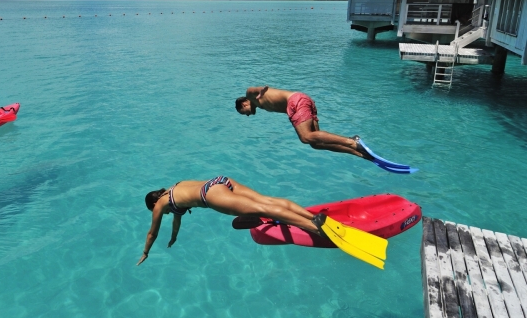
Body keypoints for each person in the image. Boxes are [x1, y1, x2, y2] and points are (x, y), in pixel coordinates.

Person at [137, 176, 320, 265]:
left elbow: (152, 232)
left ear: (154, 203)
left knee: (263, 209)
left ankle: (315, 228)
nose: (159, 212)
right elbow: (177, 219)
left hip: (210, 195)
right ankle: (312, 217)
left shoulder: (160, 203)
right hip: (220, 180)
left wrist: (146, 252)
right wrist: (174, 237)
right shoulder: (173, 190)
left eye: (152, 210)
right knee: (266, 201)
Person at [235, 86, 367, 159]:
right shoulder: (260, 104)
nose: (247, 115)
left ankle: (352, 142)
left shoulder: (250, 96)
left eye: (244, 111)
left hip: (295, 102)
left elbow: (252, 89)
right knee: (316, 144)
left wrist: (260, 91)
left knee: (305, 137)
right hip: (302, 101)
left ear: (244, 103)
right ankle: (357, 152)